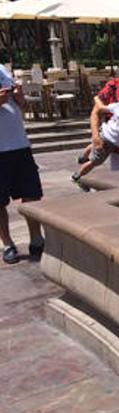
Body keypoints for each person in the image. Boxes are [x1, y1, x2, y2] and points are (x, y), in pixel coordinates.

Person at [0, 63, 43, 265]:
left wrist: (20, 99)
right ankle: (8, 244)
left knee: (32, 193)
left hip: (20, 144)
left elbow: (22, 107)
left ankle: (36, 239)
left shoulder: (2, 69)